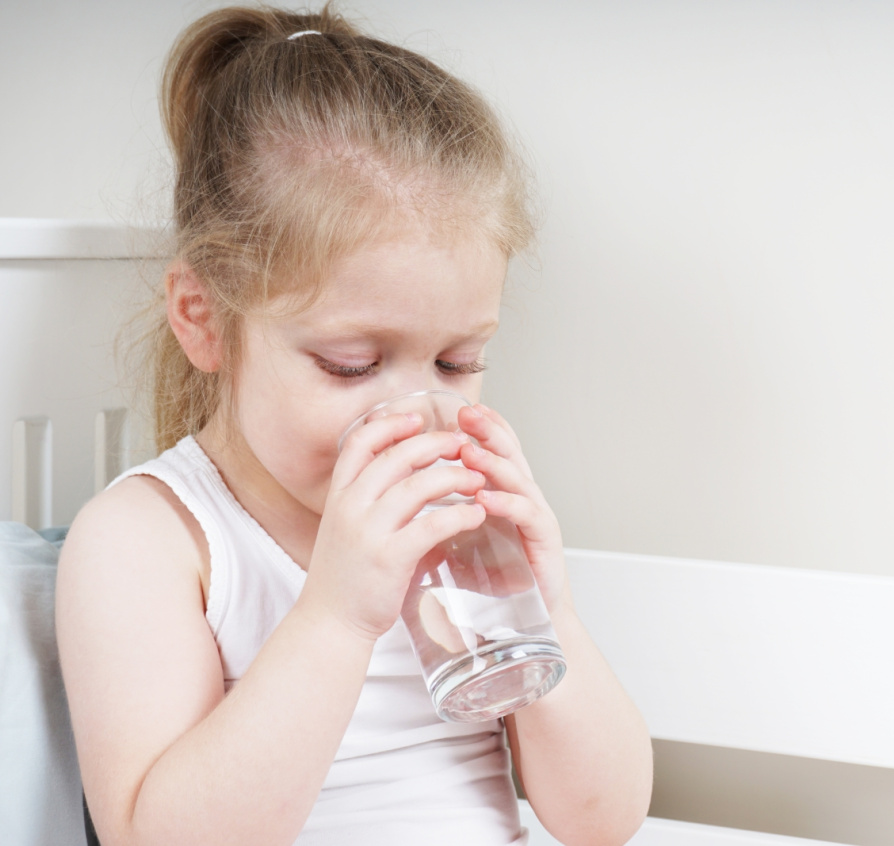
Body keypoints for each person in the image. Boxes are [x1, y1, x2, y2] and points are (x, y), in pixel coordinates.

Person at [54, 5, 653, 845]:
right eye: (350, 365)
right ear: (204, 319)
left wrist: (549, 612)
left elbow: (603, 821)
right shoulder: (151, 541)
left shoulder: (454, 530)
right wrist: (337, 616)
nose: (409, 416)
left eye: (457, 361)